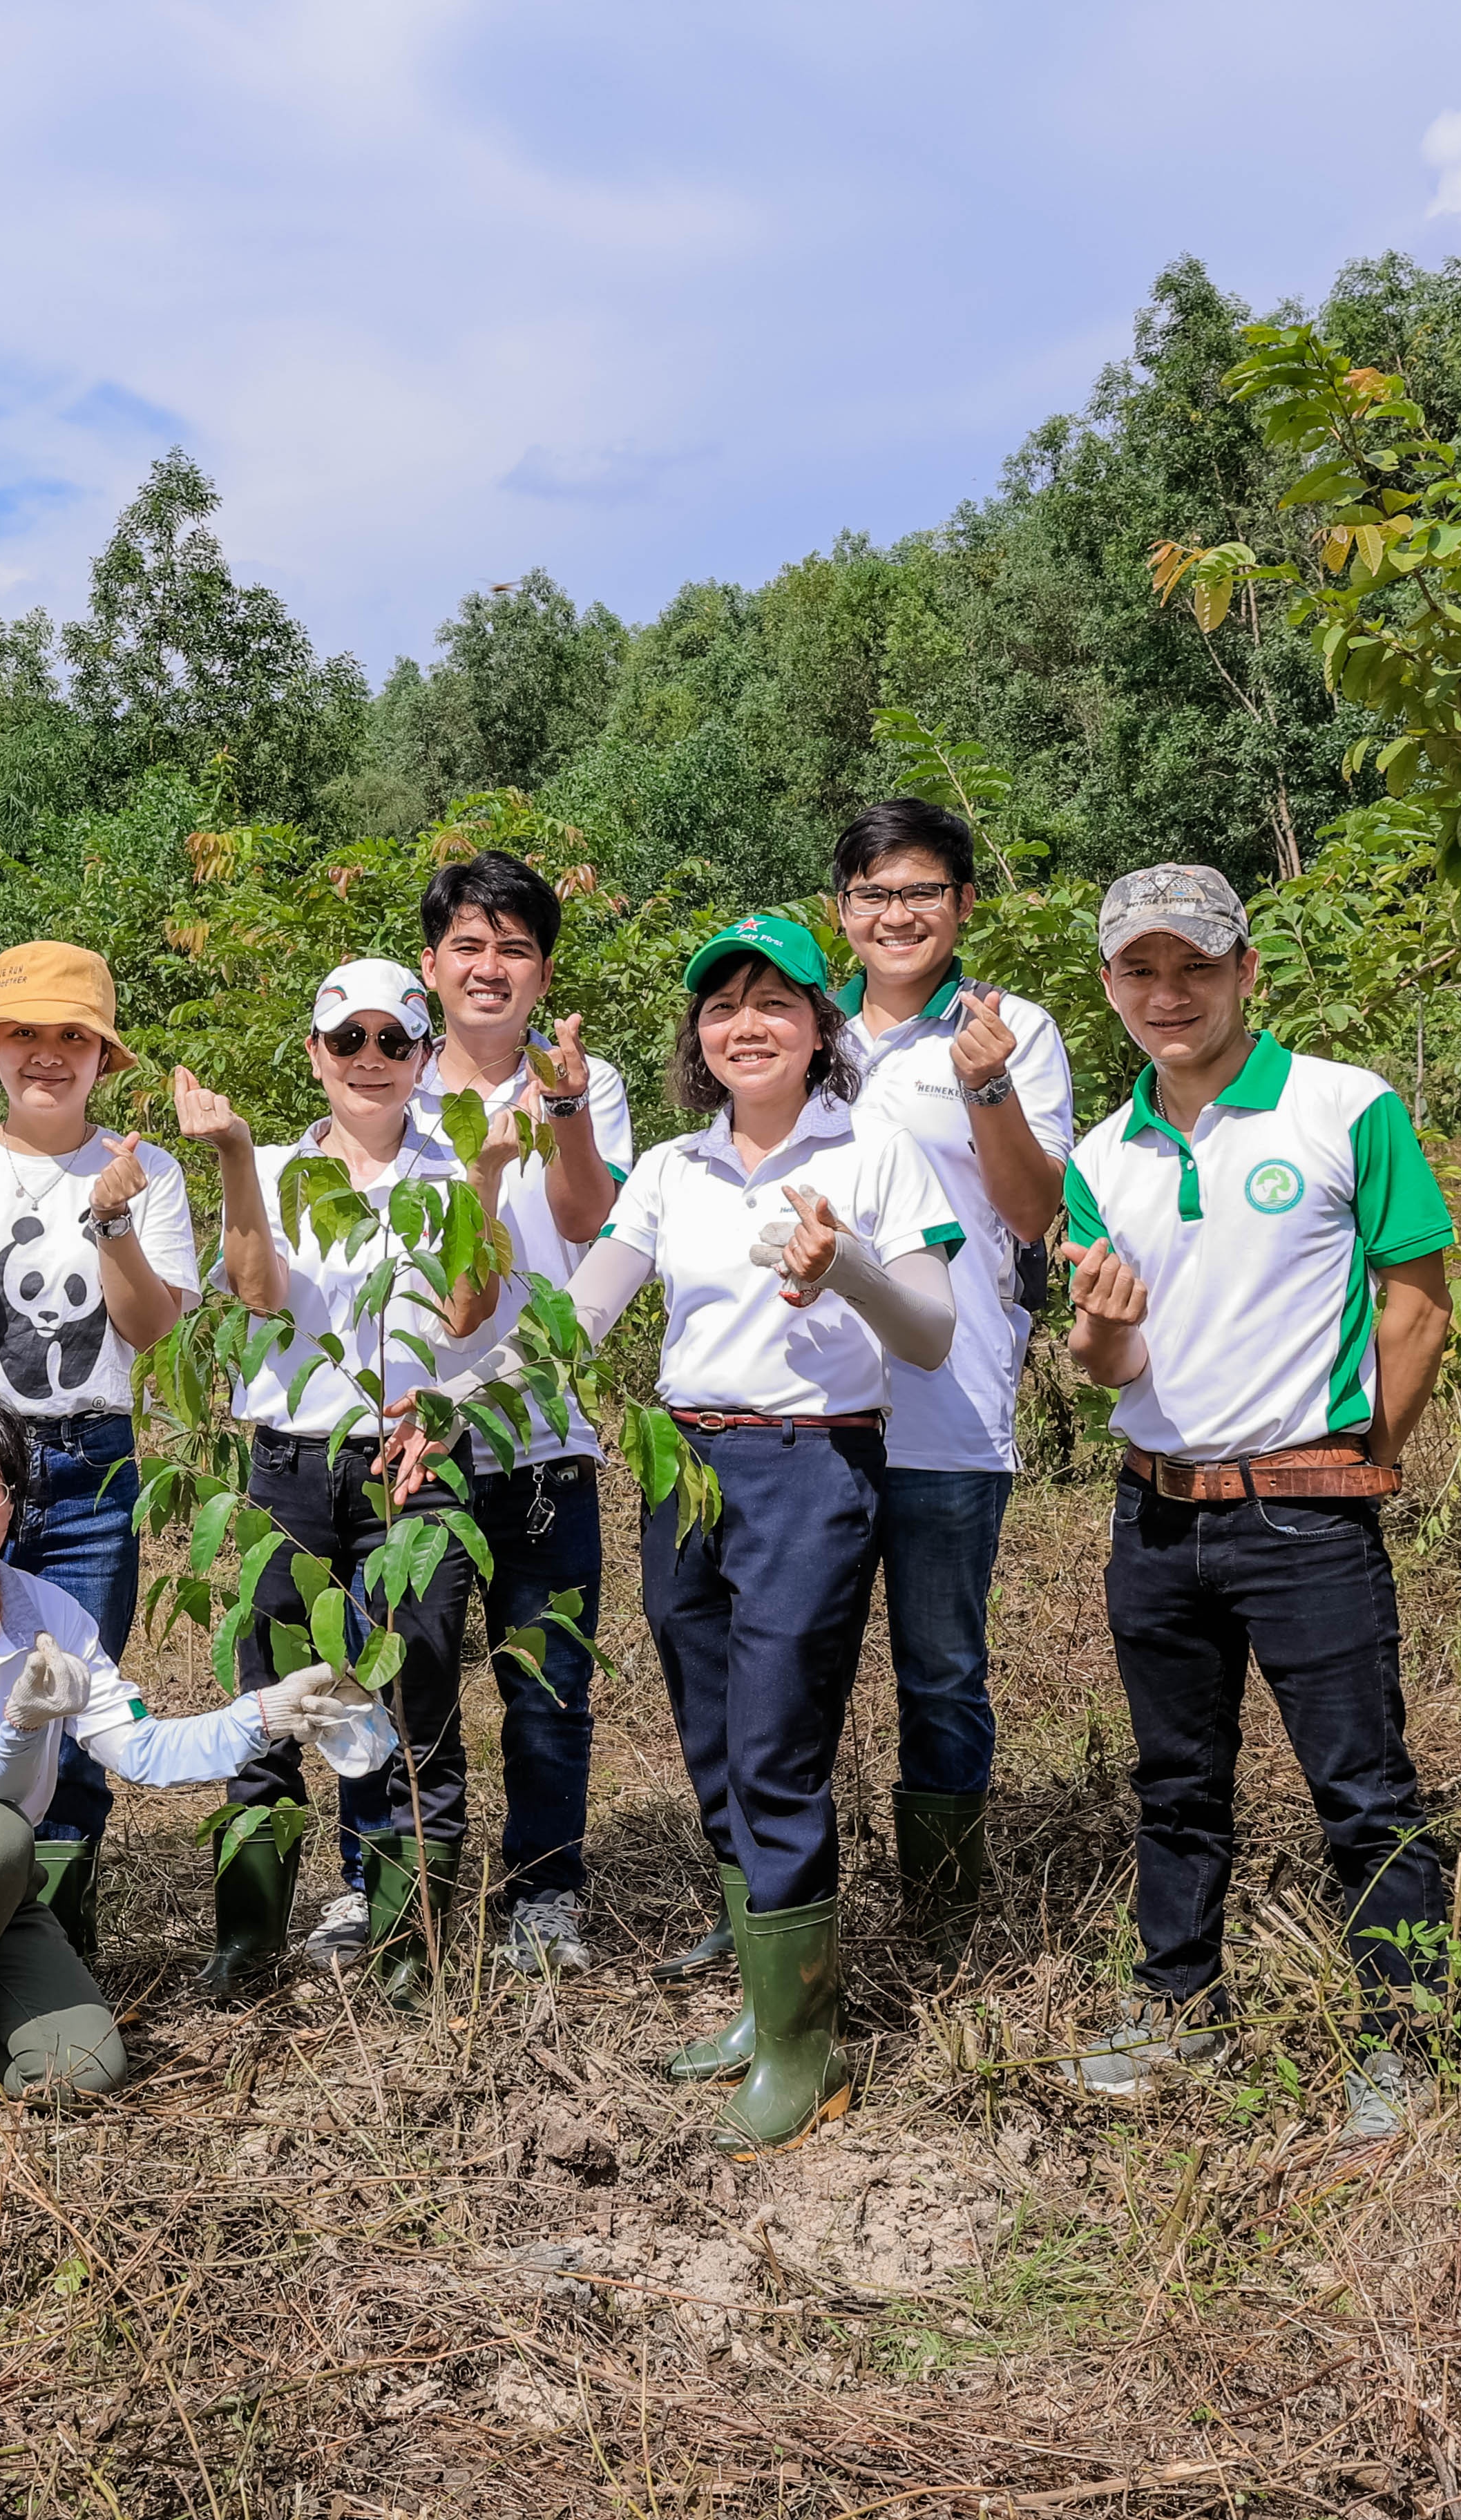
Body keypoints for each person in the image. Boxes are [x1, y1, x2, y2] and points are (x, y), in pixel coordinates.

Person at [443, 911, 962, 2145]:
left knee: (778, 1744)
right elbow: (579, 1316)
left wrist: (844, 1270)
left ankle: (806, 2050)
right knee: (715, 1740)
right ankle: (760, 1999)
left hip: (812, 1464)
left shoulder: (877, 1150)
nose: (746, 1024)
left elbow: (933, 1333)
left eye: (774, 1002)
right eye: (722, 1006)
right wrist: (450, 1397)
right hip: (685, 1463)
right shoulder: (672, 1169)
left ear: (817, 1024)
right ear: (698, 1036)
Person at [1051, 863, 1456, 2142]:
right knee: (1174, 1780)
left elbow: (1418, 1303)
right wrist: (1097, 1339)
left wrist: (1355, 1460)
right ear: (1110, 984)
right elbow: (1111, 1359)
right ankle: (1183, 2004)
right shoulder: (1098, 1157)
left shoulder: (1343, 1108)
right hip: (1155, 1514)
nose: (1168, 995)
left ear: (1245, 972)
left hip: (1303, 1512)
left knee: (1361, 1784)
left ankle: (1406, 2037)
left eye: (1195, 966)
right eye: (1139, 970)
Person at [0, 1388, 348, 2131]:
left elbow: (145, 1751)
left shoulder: (50, 1614)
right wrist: (25, 1722)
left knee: (84, 2071)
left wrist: (267, 1713)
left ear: (13, 1497)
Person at [181, 957, 510, 2001]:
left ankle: (408, 1941)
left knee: (411, 1696)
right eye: (347, 1040)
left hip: (414, 1465)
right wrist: (234, 1151)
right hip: (289, 1463)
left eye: (395, 1041)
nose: (371, 1061)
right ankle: (246, 1941)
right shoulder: (277, 1165)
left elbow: (466, 1317)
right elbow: (261, 1294)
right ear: (315, 1051)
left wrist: (491, 1181)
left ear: (422, 1055)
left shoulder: (454, 1171)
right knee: (274, 1700)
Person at [0, 942, 199, 1962]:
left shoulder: (148, 1175)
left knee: (74, 1715)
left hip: (91, 1467)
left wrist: (111, 1223)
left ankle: (46, 1952)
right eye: (25, 1035)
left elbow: (152, 1333)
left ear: (105, 1056)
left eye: (72, 1037)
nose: (47, 1057)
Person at [827, 799, 1078, 1962]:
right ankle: (795, 1906)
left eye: (921, 890)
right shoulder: (799, 1028)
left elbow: (1036, 1216)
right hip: (807, 1411)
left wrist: (988, 1088)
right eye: (873, 893)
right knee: (792, 1672)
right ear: (840, 912)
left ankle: (939, 1917)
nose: (897, 914)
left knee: (939, 1670)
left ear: (964, 904)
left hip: (952, 1405)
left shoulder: (1011, 1026)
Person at [410, 849, 632, 1980]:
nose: (490, 967)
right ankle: (415, 1893)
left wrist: (565, 1105)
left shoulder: (579, 1081)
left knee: (547, 1687)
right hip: (419, 1439)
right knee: (417, 1675)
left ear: (543, 973)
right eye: (470, 944)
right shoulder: (387, 1076)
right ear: (431, 963)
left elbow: (591, 1219)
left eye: (515, 948)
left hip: (546, 1438)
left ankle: (545, 1893)